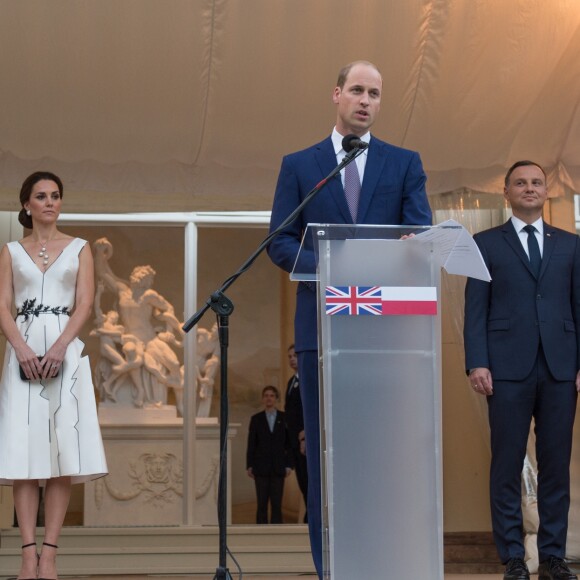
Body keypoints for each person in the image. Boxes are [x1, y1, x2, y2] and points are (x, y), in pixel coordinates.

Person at [267, 60, 432, 575]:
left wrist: (402, 251)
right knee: (325, 458)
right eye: (357, 90)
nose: (366, 100)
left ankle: (383, 563)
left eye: (375, 93)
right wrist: (336, 272)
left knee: (384, 456)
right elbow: (280, 241)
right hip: (323, 331)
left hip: (389, 332)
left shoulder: (404, 163)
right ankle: (329, 569)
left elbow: (419, 234)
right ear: (336, 94)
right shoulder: (301, 164)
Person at [464, 160, 580, 580]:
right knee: (506, 465)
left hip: (560, 368)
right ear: (506, 193)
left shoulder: (571, 244)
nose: (529, 188)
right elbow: (475, 309)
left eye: (536, 182)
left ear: (546, 191)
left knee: (556, 466)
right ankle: (513, 556)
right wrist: (477, 360)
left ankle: (552, 557)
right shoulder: (485, 243)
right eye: (520, 183)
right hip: (505, 369)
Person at [0, 171, 108, 580]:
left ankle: (50, 555)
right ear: (26, 204)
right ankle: (27, 555)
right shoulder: (10, 250)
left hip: (67, 356)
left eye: (56, 195)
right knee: (26, 456)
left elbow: (84, 304)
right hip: (22, 354)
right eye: (41, 196)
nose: (50, 202)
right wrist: (22, 350)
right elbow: (2, 305)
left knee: (62, 454)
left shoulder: (80, 248)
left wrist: (61, 346)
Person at [246, 385, 293, 524]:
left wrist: (289, 464)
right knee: (261, 504)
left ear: (276, 399)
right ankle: (260, 535)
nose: (269, 398)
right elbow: (251, 444)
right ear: (262, 399)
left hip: (279, 467)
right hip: (260, 467)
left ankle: (277, 535)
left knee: (277, 505)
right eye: (266, 395)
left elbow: (289, 444)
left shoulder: (284, 418)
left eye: (272, 395)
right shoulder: (256, 419)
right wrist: (249, 465)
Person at [284, 344, 308, 522]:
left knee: (309, 483)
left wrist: (304, 436)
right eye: (289, 356)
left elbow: (309, 410)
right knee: (302, 483)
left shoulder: (308, 381)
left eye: (295, 356)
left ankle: (311, 518)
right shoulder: (291, 383)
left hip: (304, 442)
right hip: (294, 443)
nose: (292, 359)